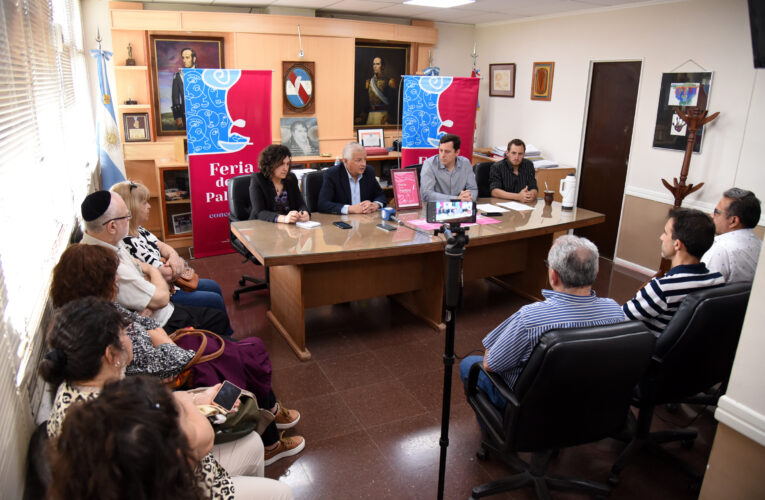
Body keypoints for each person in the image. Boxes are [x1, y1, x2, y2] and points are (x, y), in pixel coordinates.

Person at [49, 244, 306, 466]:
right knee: (242, 353)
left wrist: (159, 338)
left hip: (169, 353)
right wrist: (165, 343)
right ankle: (270, 432)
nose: (117, 281)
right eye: (112, 277)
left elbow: (149, 326)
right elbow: (162, 358)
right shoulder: (95, 326)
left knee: (239, 350)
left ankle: (269, 416)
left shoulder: (96, 311)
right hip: (172, 368)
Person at [47, 373, 294, 499]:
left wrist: (192, 400)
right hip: (195, 483)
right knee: (282, 494)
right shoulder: (132, 434)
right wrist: (188, 402)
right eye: (121, 333)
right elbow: (203, 441)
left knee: (251, 443)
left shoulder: (92, 405)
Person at [459, 235, 625, 409]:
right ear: (596, 272)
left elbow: (490, 364)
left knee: (469, 365)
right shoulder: (614, 311)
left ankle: (497, 428)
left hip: (533, 407)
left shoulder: (530, 318)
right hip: (588, 401)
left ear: (553, 276)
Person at [80, 190, 231, 336]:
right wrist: (152, 271)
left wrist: (152, 272)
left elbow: (143, 267)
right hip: (163, 323)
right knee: (218, 317)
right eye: (127, 216)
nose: (129, 219)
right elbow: (162, 299)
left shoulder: (109, 243)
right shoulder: (109, 263)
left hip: (160, 308)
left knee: (215, 308)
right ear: (112, 226)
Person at [111, 180, 230, 317]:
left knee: (213, 286)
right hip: (166, 294)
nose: (149, 206)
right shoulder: (129, 242)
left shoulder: (139, 230)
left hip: (173, 284)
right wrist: (177, 262)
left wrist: (173, 256)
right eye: (144, 203)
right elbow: (167, 274)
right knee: (214, 299)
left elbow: (162, 245)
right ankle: (224, 335)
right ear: (132, 208)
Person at [624, 208, 725, 336]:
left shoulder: (662, 288)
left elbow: (617, 319)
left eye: (665, 233)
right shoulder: (717, 280)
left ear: (677, 244)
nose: (661, 237)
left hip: (643, 348)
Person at [702, 188, 762, 283]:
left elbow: (697, 293)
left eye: (716, 212)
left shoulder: (720, 249)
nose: (711, 215)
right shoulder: (760, 246)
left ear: (733, 221)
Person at [317, 142, 387, 214]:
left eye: (365, 159)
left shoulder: (369, 172)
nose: (364, 164)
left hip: (365, 219)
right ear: (346, 161)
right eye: (359, 160)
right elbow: (323, 204)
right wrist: (349, 209)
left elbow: (381, 196)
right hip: (343, 220)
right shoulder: (332, 174)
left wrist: (375, 205)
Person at [249, 144, 310, 223]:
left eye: (287, 164)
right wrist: (284, 219)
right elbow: (259, 212)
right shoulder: (258, 179)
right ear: (270, 164)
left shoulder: (291, 178)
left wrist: (304, 213)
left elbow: (300, 204)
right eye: (281, 164)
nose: (285, 168)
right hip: (262, 227)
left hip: (288, 228)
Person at [419, 133, 478, 202]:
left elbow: (473, 189)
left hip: (460, 207)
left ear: (457, 152)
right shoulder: (429, 164)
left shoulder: (465, 163)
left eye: (447, 152)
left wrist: (468, 197)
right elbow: (427, 194)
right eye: (441, 150)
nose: (442, 155)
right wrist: (456, 199)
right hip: (435, 208)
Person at [489, 138, 538, 202]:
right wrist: (518, 197)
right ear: (507, 153)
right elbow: (494, 191)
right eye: (513, 153)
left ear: (524, 154)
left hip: (524, 205)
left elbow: (533, 187)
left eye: (520, 154)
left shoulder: (528, 165)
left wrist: (532, 195)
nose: (516, 157)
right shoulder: (497, 167)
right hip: (503, 204)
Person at [361, 56, 396, 125]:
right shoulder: (368, 82)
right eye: (374, 64)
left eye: (377, 64)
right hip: (370, 116)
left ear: (382, 66)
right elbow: (366, 101)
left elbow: (393, 102)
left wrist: (388, 117)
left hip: (383, 115)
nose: (375, 66)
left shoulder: (389, 81)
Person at [172, 47, 196, 130]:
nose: (184, 60)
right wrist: (178, 117)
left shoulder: (202, 74)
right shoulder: (178, 76)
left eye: (187, 57)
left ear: (194, 59)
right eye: (183, 58)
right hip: (184, 114)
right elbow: (175, 97)